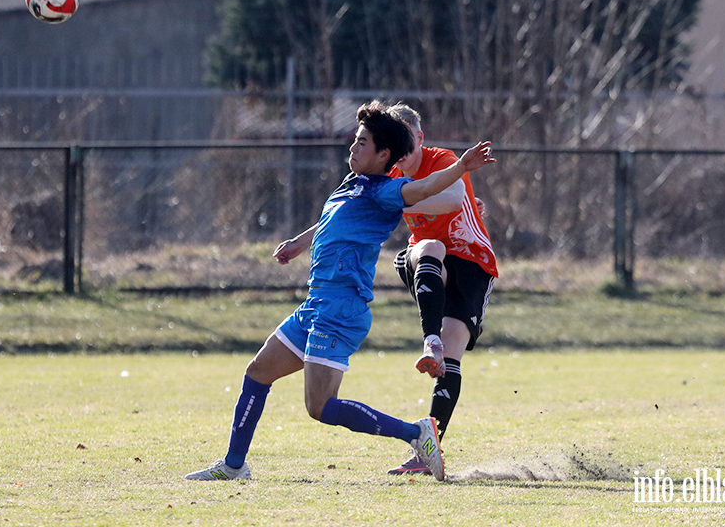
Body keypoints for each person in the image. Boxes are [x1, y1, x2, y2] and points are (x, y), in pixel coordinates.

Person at [184, 100, 496, 482]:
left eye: (362, 143)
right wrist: (300, 242)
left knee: (319, 408)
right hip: (316, 302)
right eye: (355, 140)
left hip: (341, 308)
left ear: (384, 155)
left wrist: (462, 167)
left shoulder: (386, 189)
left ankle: (417, 434)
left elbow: (430, 186)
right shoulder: (353, 183)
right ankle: (234, 466)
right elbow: (331, 220)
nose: (353, 147)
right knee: (258, 371)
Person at [385, 103, 499, 476]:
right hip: (428, 261)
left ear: (419, 138)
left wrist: (391, 204)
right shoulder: (388, 174)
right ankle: (428, 340)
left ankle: (427, 453)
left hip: (471, 264)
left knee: (450, 363)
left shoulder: (444, 160)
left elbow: (451, 199)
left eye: (407, 137)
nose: (400, 146)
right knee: (429, 248)